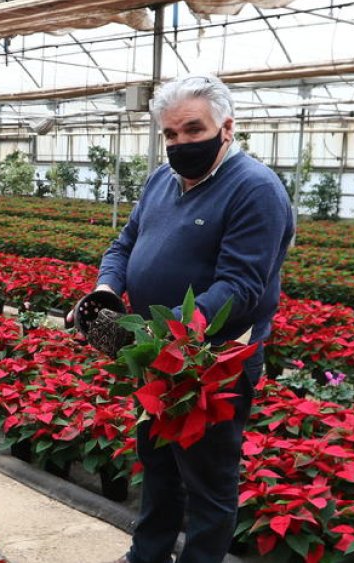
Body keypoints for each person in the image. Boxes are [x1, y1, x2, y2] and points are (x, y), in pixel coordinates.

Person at [89, 74, 293, 563]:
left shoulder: (254, 189)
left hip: (213, 363)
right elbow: (124, 244)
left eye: (194, 130)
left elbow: (239, 287)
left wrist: (164, 333)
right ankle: (147, 556)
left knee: (208, 481)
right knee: (158, 464)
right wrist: (106, 289)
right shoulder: (162, 179)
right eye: (171, 134)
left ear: (227, 127)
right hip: (157, 356)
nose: (181, 143)